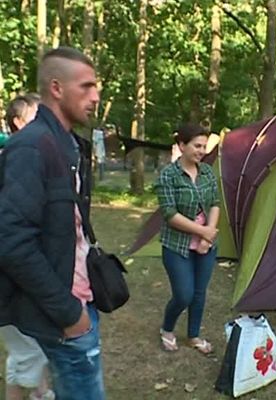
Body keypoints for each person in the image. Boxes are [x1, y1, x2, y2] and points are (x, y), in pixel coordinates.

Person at [0, 46, 103, 400]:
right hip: (64, 315)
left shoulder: (72, 145)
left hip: (77, 304)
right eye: (86, 87)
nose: (96, 97)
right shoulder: (31, 147)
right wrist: (69, 313)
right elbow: (11, 243)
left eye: (97, 88)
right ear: (56, 88)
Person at [0, 94, 55, 400]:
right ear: (19, 122)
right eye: (38, 117)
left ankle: (39, 390)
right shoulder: (16, 158)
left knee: (22, 352)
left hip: (16, 280)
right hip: (11, 280)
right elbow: (13, 235)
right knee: (32, 349)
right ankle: (40, 391)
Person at [155, 123, 219, 354]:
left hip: (205, 244)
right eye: (196, 145)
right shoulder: (168, 175)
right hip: (177, 245)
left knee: (199, 293)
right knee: (184, 294)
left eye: (204, 146)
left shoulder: (208, 172)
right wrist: (202, 232)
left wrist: (208, 235)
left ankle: (194, 335)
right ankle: (167, 329)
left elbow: (214, 204)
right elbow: (170, 214)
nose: (201, 151)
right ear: (181, 145)